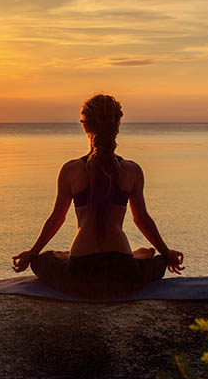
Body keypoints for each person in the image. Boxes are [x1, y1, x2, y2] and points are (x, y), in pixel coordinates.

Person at [12, 94, 185, 299]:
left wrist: (31, 254)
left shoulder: (71, 170)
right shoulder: (132, 170)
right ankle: (138, 256)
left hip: (79, 274)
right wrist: (167, 254)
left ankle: (68, 255)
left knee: (42, 260)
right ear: (118, 125)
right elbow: (142, 220)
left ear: (85, 126)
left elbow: (56, 219)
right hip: (124, 273)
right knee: (159, 261)